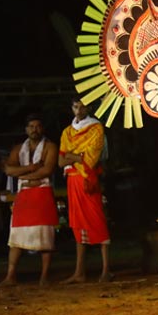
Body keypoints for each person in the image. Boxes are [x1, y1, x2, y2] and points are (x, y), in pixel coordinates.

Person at [0, 114, 59, 287]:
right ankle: (10, 276)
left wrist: (23, 174)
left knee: (45, 235)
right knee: (16, 236)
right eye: (31, 126)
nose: (34, 129)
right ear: (26, 129)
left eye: (38, 126)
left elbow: (47, 171)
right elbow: (9, 170)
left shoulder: (50, 146)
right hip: (24, 194)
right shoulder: (18, 149)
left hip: (42, 192)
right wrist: (30, 169)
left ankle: (44, 276)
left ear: (42, 128)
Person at [58, 97, 111, 283]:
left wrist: (72, 157)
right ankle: (79, 272)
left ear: (88, 107)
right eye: (75, 106)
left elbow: (90, 158)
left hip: (89, 179)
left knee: (97, 220)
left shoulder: (96, 128)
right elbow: (60, 161)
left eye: (82, 106)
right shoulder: (67, 131)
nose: (79, 110)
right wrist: (77, 156)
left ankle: (106, 270)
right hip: (73, 180)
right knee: (77, 223)